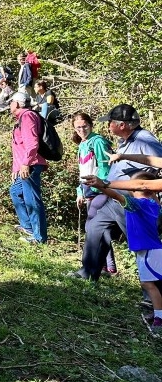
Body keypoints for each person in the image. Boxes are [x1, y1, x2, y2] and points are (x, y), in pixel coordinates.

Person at [70, 104, 162, 280]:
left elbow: (158, 162)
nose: (107, 125)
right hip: (116, 200)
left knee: (142, 245)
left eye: (110, 122)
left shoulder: (144, 138)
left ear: (122, 125)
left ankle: (153, 294)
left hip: (134, 204)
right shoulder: (124, 142)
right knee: (96, 227)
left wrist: (147, 188)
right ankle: (88, 272)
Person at [82, 172, 162, 333]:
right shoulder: (154, 205)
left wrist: (100, 185)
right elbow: (152, 196)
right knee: (153, 284)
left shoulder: (136, 205)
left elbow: (116, 196)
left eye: (132, 185)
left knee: (148, 284)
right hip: (150, 250)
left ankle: (159, 318)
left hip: (148, 251)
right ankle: (158, 313)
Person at [73, 112, 115, 274]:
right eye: (78, 127)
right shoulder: (83, 144)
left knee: (94, 227)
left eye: (85, 126)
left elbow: (106, 169)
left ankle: (105, 267)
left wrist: (102, 187)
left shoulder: (98, 142)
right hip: (87, 190)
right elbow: (82, 170)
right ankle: (105, 266)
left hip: (100, 190)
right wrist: (80, 192)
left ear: (91, 125)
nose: (81, 130)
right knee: (96, 229)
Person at [8, 91, 47, 244]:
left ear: (17, 103)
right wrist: (15, 168)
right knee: (15, 192)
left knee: (32, 200)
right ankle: (28, 227)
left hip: (31, 164)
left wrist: (26, 163)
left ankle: (38, 238)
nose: (10, 104)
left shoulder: (27, 116)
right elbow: (18, 146)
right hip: (23, 165)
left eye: (11, 102)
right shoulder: (21, 118)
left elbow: (32, 143)